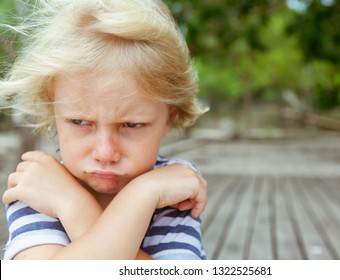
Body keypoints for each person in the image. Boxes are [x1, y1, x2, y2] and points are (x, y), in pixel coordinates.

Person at [0, 0, 208, 260]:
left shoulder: (173, 188)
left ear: (170, 116)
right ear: (53, 110)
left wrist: (74, 206)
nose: (105, 152)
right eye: (79, 122)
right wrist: (140, 197)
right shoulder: (38, 187)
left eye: (131, 125)